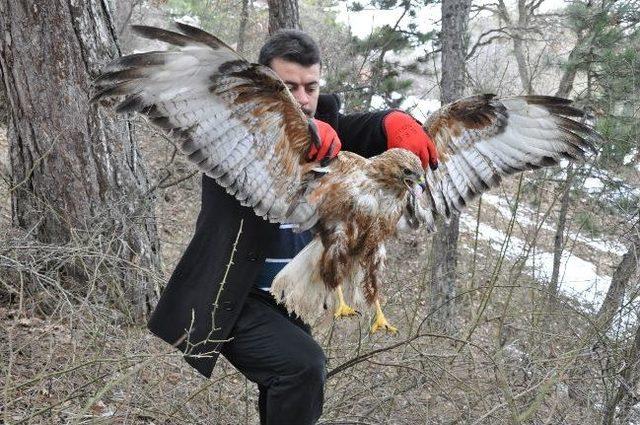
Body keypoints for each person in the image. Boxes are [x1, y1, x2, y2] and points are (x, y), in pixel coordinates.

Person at [148, 29, 439, 425]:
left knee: (285, 387)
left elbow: (363, 130)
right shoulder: (237, 133)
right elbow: (249, 130)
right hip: (232, 297)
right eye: (289, 88)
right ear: (268, 88)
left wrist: (398, 121)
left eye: (311, 87)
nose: (303, 100)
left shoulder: (331, 131)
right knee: (302, 367)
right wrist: (301, 134)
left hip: (287, 299)